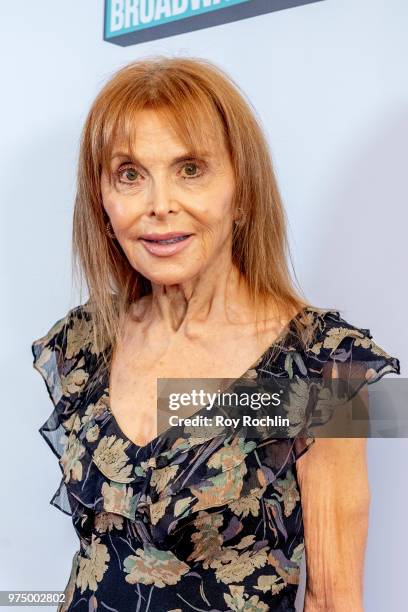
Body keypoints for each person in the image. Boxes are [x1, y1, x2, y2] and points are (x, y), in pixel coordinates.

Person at [31, 56, 400, 612]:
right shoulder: (84, 344)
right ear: (103, 204)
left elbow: (334, 599)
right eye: (130, 174)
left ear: (243, 193)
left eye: (191, 169)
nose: (159, 206)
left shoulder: (321, 365)